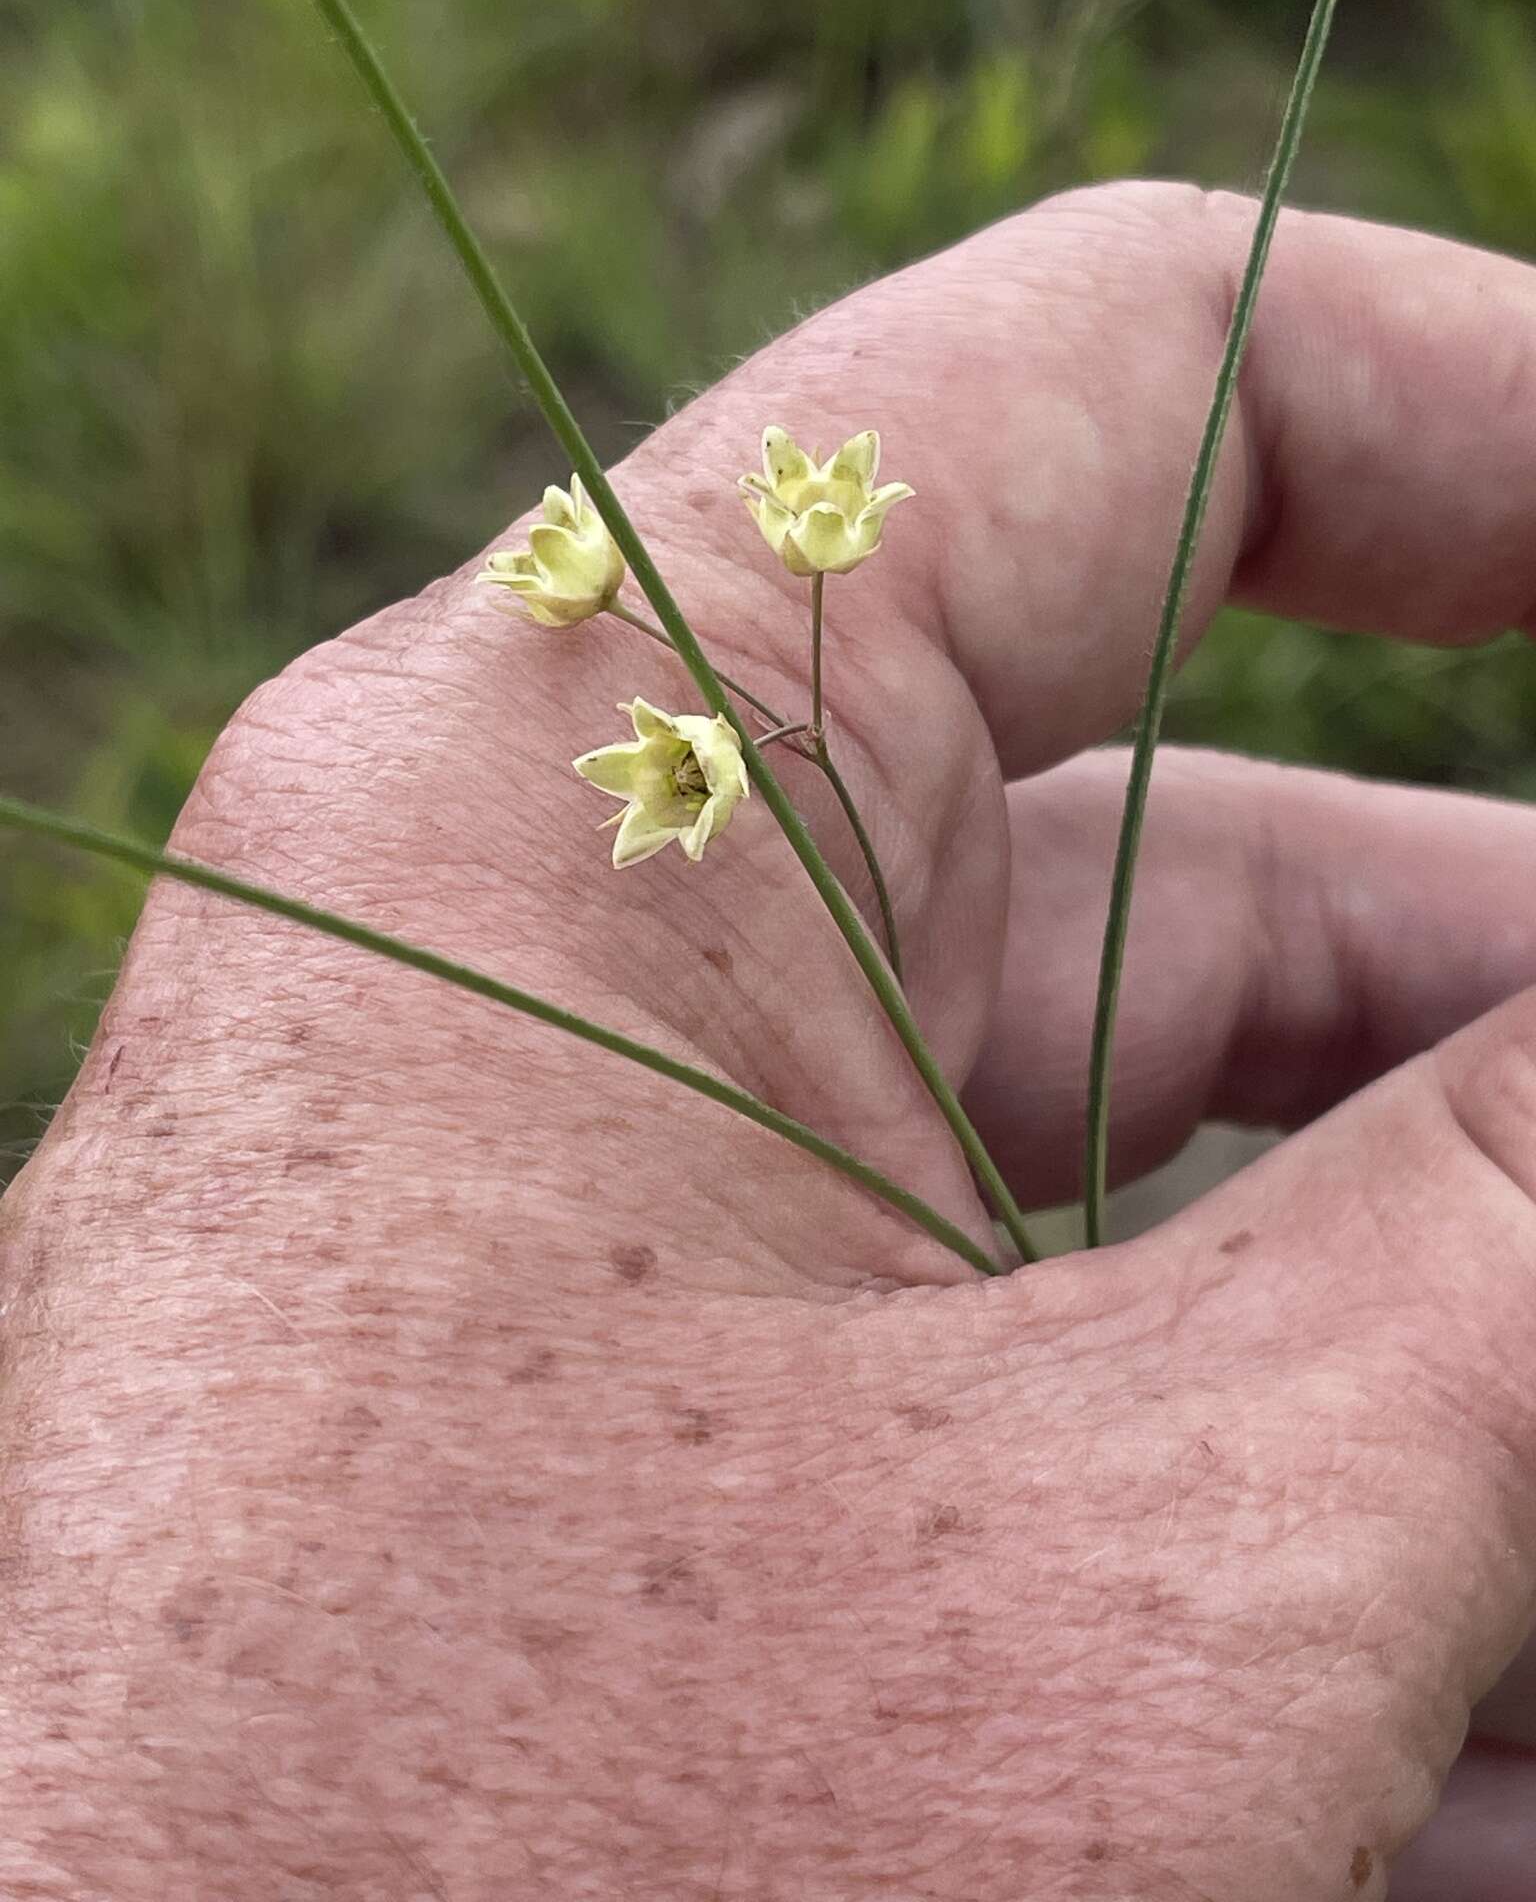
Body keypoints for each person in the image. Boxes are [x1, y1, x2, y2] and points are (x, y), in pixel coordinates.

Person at [3, 181, 1535, 1899]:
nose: (680, 774)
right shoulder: (701, 752)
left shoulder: (740, 725)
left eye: (689, 764)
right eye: (678, 772)